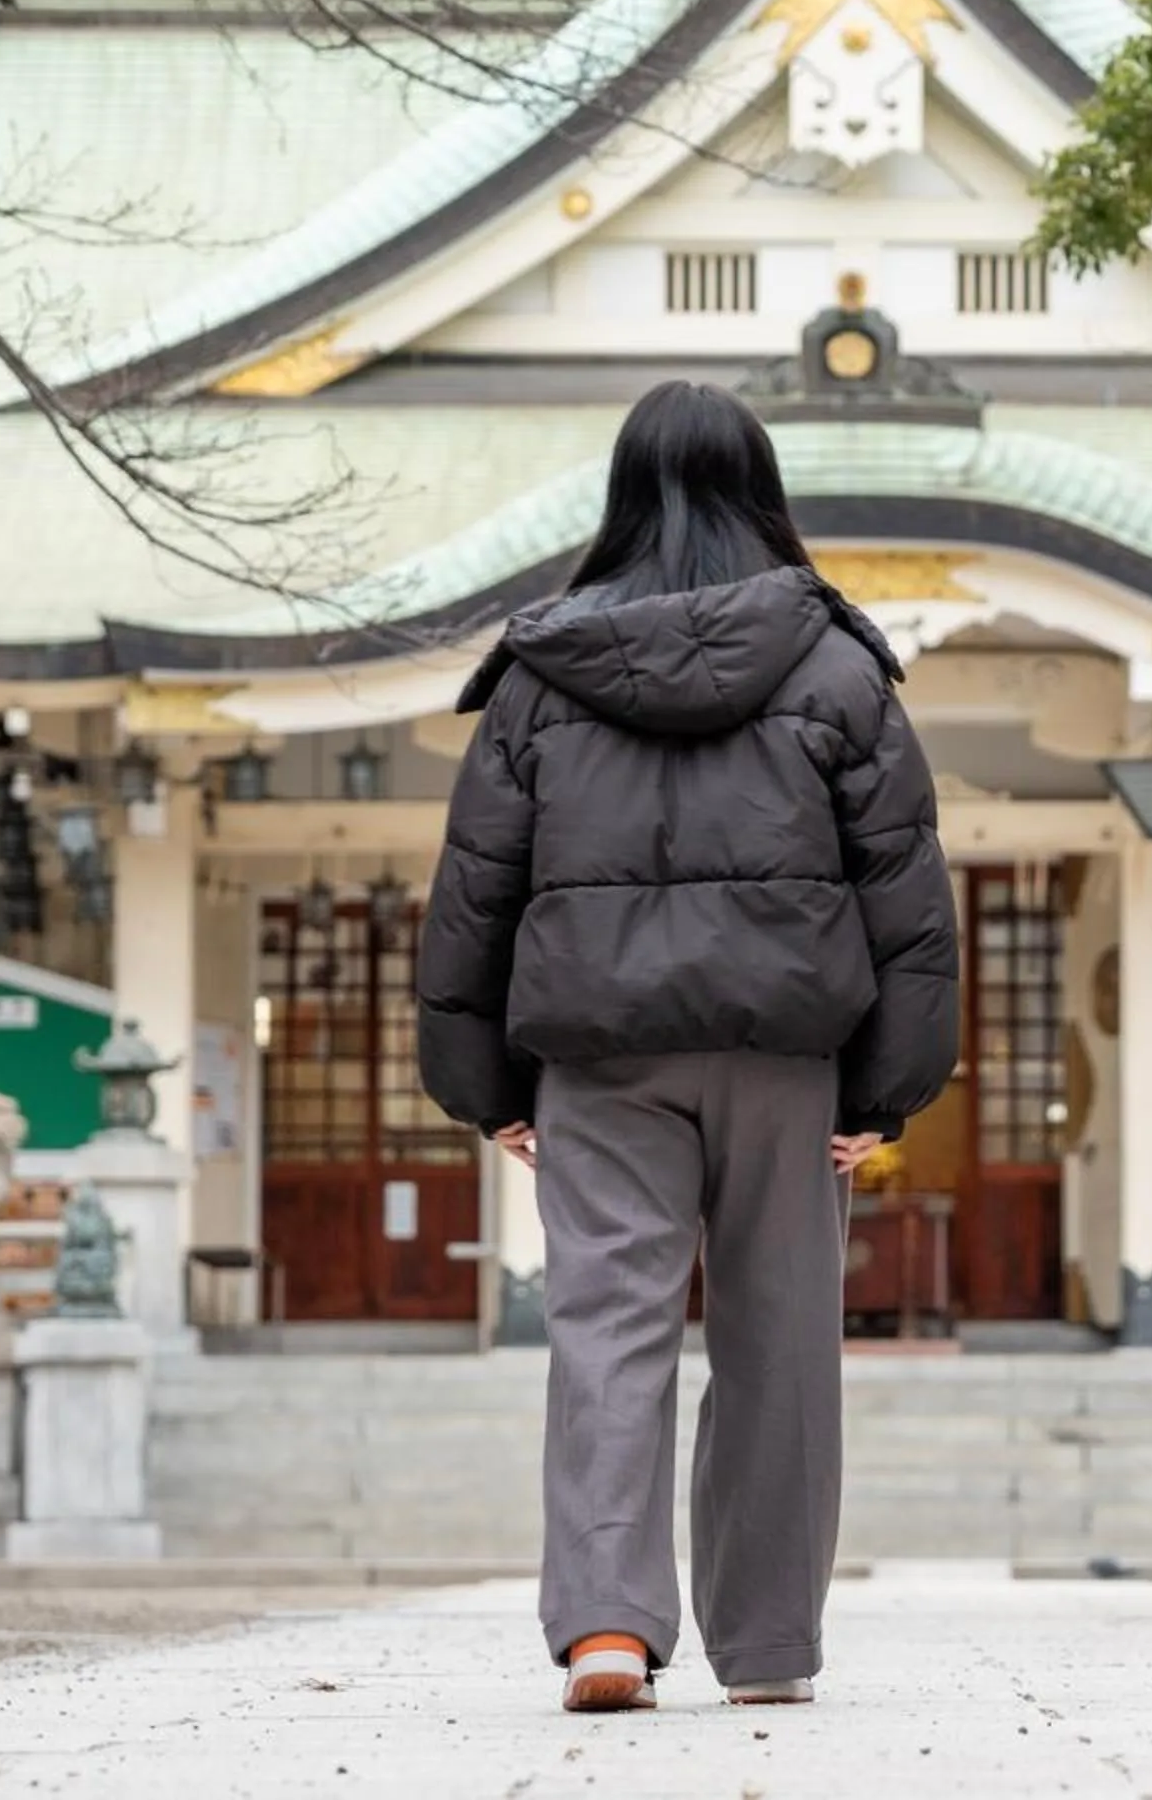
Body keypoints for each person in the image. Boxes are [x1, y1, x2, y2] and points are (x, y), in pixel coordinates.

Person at [414, 381, 959, 1714]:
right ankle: (767, 1649)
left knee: (607, 1324)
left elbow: (477, 889)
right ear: (762, 493)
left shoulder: (537, 677)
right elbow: (906, 894)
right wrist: (885, 1094)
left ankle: (608, 1626)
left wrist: (485, 1089)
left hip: (598, 1057)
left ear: (622, 495)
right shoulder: (839, 667)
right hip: (787, 1058)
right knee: (782, 1341)